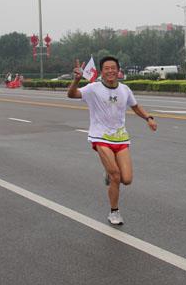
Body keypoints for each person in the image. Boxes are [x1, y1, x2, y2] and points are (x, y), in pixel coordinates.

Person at [67, 56, 157, 226]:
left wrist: (148, 118)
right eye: (106, 68)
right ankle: (114, 212)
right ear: (101, 71)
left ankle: (109, 173)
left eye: (113, 68)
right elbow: (72, 94)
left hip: (121, 138)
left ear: (118, 70)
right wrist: (76, 80)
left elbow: (135, 106)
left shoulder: (125, 89)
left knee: (127, 179)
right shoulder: (93, 88)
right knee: (116, 175)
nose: (110, 71)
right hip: (100, 137)